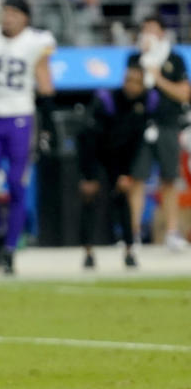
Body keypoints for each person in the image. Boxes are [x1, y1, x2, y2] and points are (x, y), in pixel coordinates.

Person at [0, 0, 56, 274]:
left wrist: (49, 127)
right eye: (6, 12)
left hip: (21, 120)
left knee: (18, 185)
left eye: (15, 13)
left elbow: (46, 86)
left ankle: (8, 250)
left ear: (26, 18)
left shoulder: (35, 42)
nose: (8, 18)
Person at [78, 65, 152, 268]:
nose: (132, 86)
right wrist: (89, 174)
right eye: (129, 80)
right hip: (95, 151)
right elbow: (89, 137)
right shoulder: (108, 101)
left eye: (137, 82)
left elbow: (135, 142)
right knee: (90, 199)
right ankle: (88, 251)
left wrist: (126, 173)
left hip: (119, 157)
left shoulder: (144, 105)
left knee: (123, 199)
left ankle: (129, 250)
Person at [127, 15, 191, 250]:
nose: (148, 33)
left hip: (167, 125)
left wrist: (157, 76)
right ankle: (132, 233)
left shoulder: (174, 59)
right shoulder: (135, 58)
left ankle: (172, 231)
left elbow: (184, 94)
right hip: (141, 125)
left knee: (169, 179)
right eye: (144, 28)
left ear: (162, 32)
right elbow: (128, 92)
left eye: (152, 28)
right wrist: (143, 71)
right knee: (137, 179)